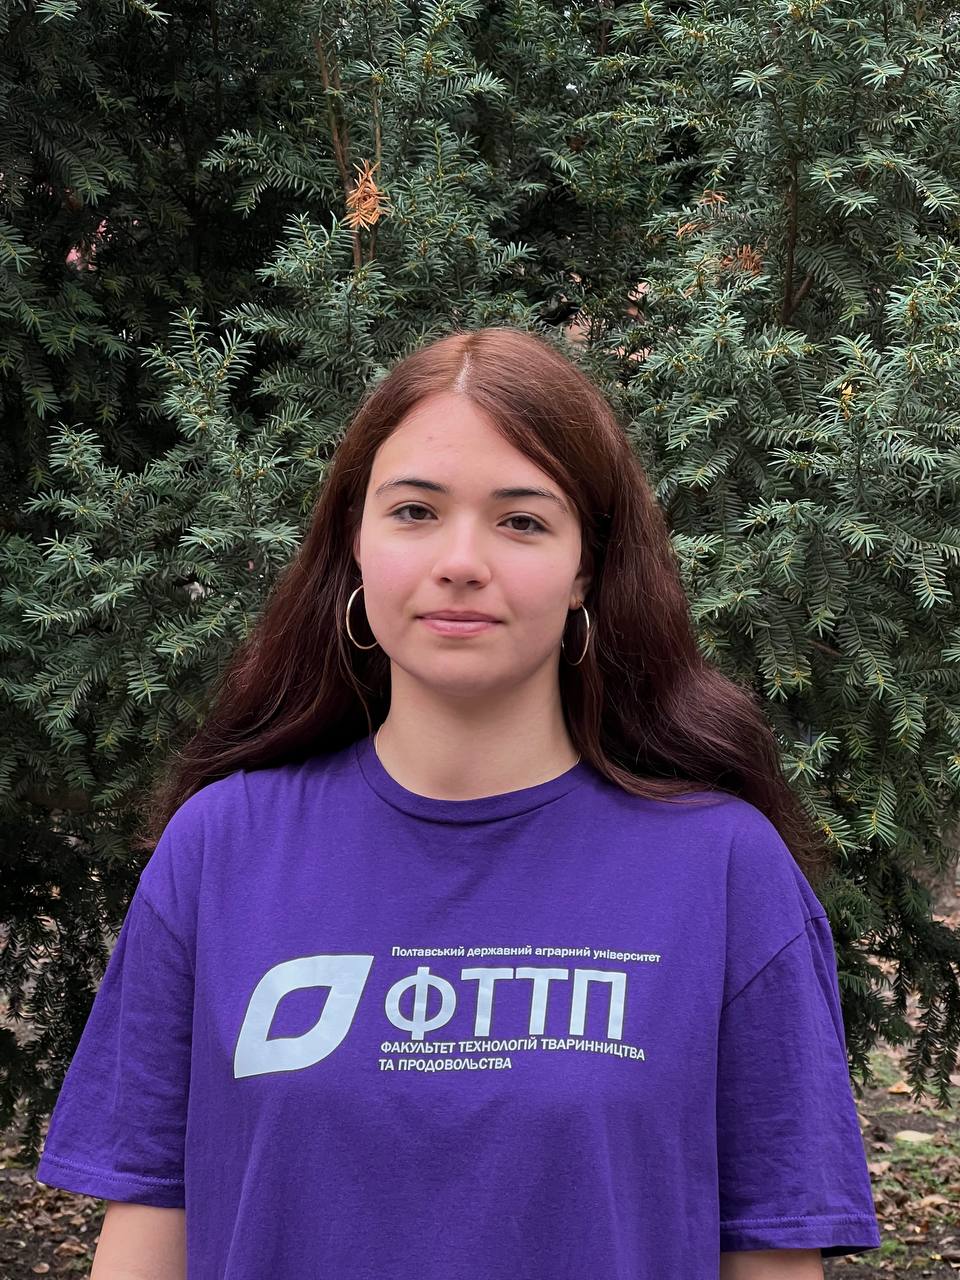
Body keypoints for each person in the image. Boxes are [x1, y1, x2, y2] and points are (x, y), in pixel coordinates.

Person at [35, 325, 882, 1279]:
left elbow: (771, 1259)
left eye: (522, 521)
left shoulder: (724, 871)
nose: (462, 560)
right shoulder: (221, 849)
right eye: (415, 511)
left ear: (586, 568)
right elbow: (147, 1233)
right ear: (356, 543)